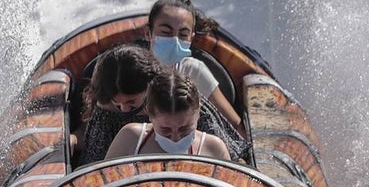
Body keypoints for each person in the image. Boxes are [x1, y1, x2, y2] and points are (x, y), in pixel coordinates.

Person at [78, 45, 249, 164]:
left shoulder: (186, 105)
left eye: (131, 102)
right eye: (117, 104)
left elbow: (232, 158)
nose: (124, 110)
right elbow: (95, 168)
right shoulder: (120, 127)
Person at [145, 0, 246, 137]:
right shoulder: (132, 70)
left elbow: (234, 124)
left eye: (183, 34)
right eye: (166, 32)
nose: (174, 40)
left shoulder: (194, 70)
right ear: (148, 33)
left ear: (191, 38)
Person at [104, 70, 230, 160]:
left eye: (184, 129)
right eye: (165, 130)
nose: (175, 138)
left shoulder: (214, 149)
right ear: (150, 115)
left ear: (198, 114)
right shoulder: (130, 139)